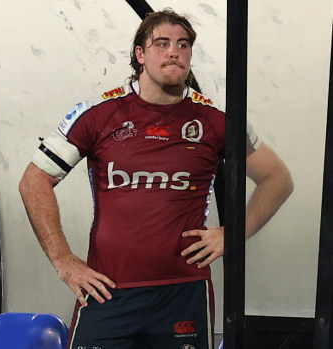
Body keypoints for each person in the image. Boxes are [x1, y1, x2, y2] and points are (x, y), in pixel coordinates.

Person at [19, 9, 293, 349]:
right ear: (140, 54)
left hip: (184, 292)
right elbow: (34, 181)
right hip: (107, 291)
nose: (173, 52)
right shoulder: (98, 114)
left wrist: (232, 235)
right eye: (161, 43)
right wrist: (64, 262)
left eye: (183, 44)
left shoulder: (216, 121)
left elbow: (277, 179)